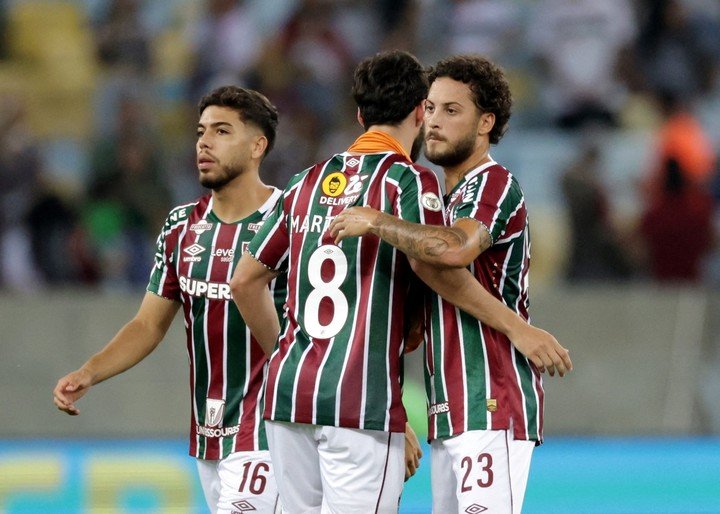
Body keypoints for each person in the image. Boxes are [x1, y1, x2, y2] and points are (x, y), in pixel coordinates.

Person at [329, 55, 573, 513]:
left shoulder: (494, 184)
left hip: (492, 399)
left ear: (486, 122)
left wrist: (376, 220)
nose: (434, 122)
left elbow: (452, 252)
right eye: (432, 108)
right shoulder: (437, 201)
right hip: (448, 409)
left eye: (452, 110)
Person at [230, 49, 444, 513]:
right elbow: (433, 264)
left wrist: (286, 353)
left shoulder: (305, 182)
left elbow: (245, 281)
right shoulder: (410, 182)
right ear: (420, 111)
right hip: (359, 401)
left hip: (288, 395)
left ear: (360, 115)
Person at [53, 86, 284, 514]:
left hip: (273, 431)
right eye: (201, 132)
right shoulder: (182, 226)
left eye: (221, 131)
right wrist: (90, 371)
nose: (204, 142)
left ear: (258, 145)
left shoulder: (291, 220)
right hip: (208, 435)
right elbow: (148, 324)